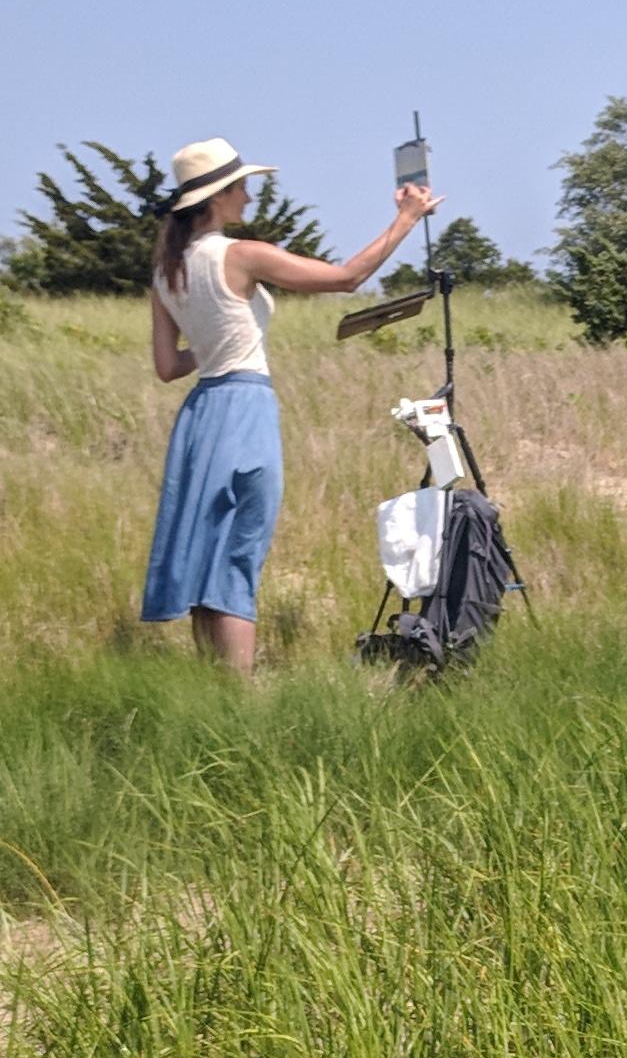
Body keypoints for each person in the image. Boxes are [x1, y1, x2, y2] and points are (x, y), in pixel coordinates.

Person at [142, 139, 433, 668]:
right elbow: (345, 278)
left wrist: (213, 345)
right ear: (219, 196)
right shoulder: (241, 254)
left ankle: (218, 689)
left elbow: (168, 367)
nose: (249, 197)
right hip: (243, 409)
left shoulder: (167, 270)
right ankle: (241, 695)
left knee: (208, 553)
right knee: (236, 555)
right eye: (242, 187)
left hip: (201, 413)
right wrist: (407, 220)